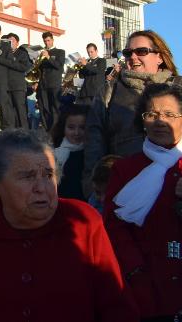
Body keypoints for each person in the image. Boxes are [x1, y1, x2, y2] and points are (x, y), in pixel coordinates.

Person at [0, 130, 136, 322]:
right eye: (27, 177)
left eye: (48, 175)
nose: (42, 188)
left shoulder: (84, 221)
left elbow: (116, 304)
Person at [104, 80, 182, 321]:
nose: (160, 121)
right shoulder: (126, 169)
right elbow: (114, 226)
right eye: (152, 114)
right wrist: (136, 272)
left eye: (169, 114)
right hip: (146, 287)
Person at [85, 31, 177, 198]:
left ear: (160, 57)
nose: (133, 57)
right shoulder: (108, 91)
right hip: (125, 187)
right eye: (128, 53)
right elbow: (94, 142)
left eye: (141, 51)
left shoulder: (178, 88)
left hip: (173, 185)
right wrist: (93, 187)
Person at [51, 103, 88, 201]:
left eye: (82, 128)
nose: (76, 133)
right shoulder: (55, 154)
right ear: (63, 128)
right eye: (71, 128)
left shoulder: (92, 154)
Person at [37, 32, 66, 132]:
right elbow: (38, 70)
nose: (47, 43)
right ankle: (46, 130)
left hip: (54, 84)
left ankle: (56, 131)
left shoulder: (60, 52)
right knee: (44, 108)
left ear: (52, 40)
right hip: (43, 85)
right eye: (45, 41)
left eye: (48, 40)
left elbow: (59, 66)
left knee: (55, 108)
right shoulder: (42, 53)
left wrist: (48, 57)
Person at [77, 42, 109, 107]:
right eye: (88, 52)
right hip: (85, 91)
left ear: (96, 51)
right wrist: (80, 67)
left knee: (96, 114)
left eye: (91, 52)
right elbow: (81, 76)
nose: (89, 54)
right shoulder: (87, 62)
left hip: (96, 92)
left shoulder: (102, 60)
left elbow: (98, 70)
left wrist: (86, 64)